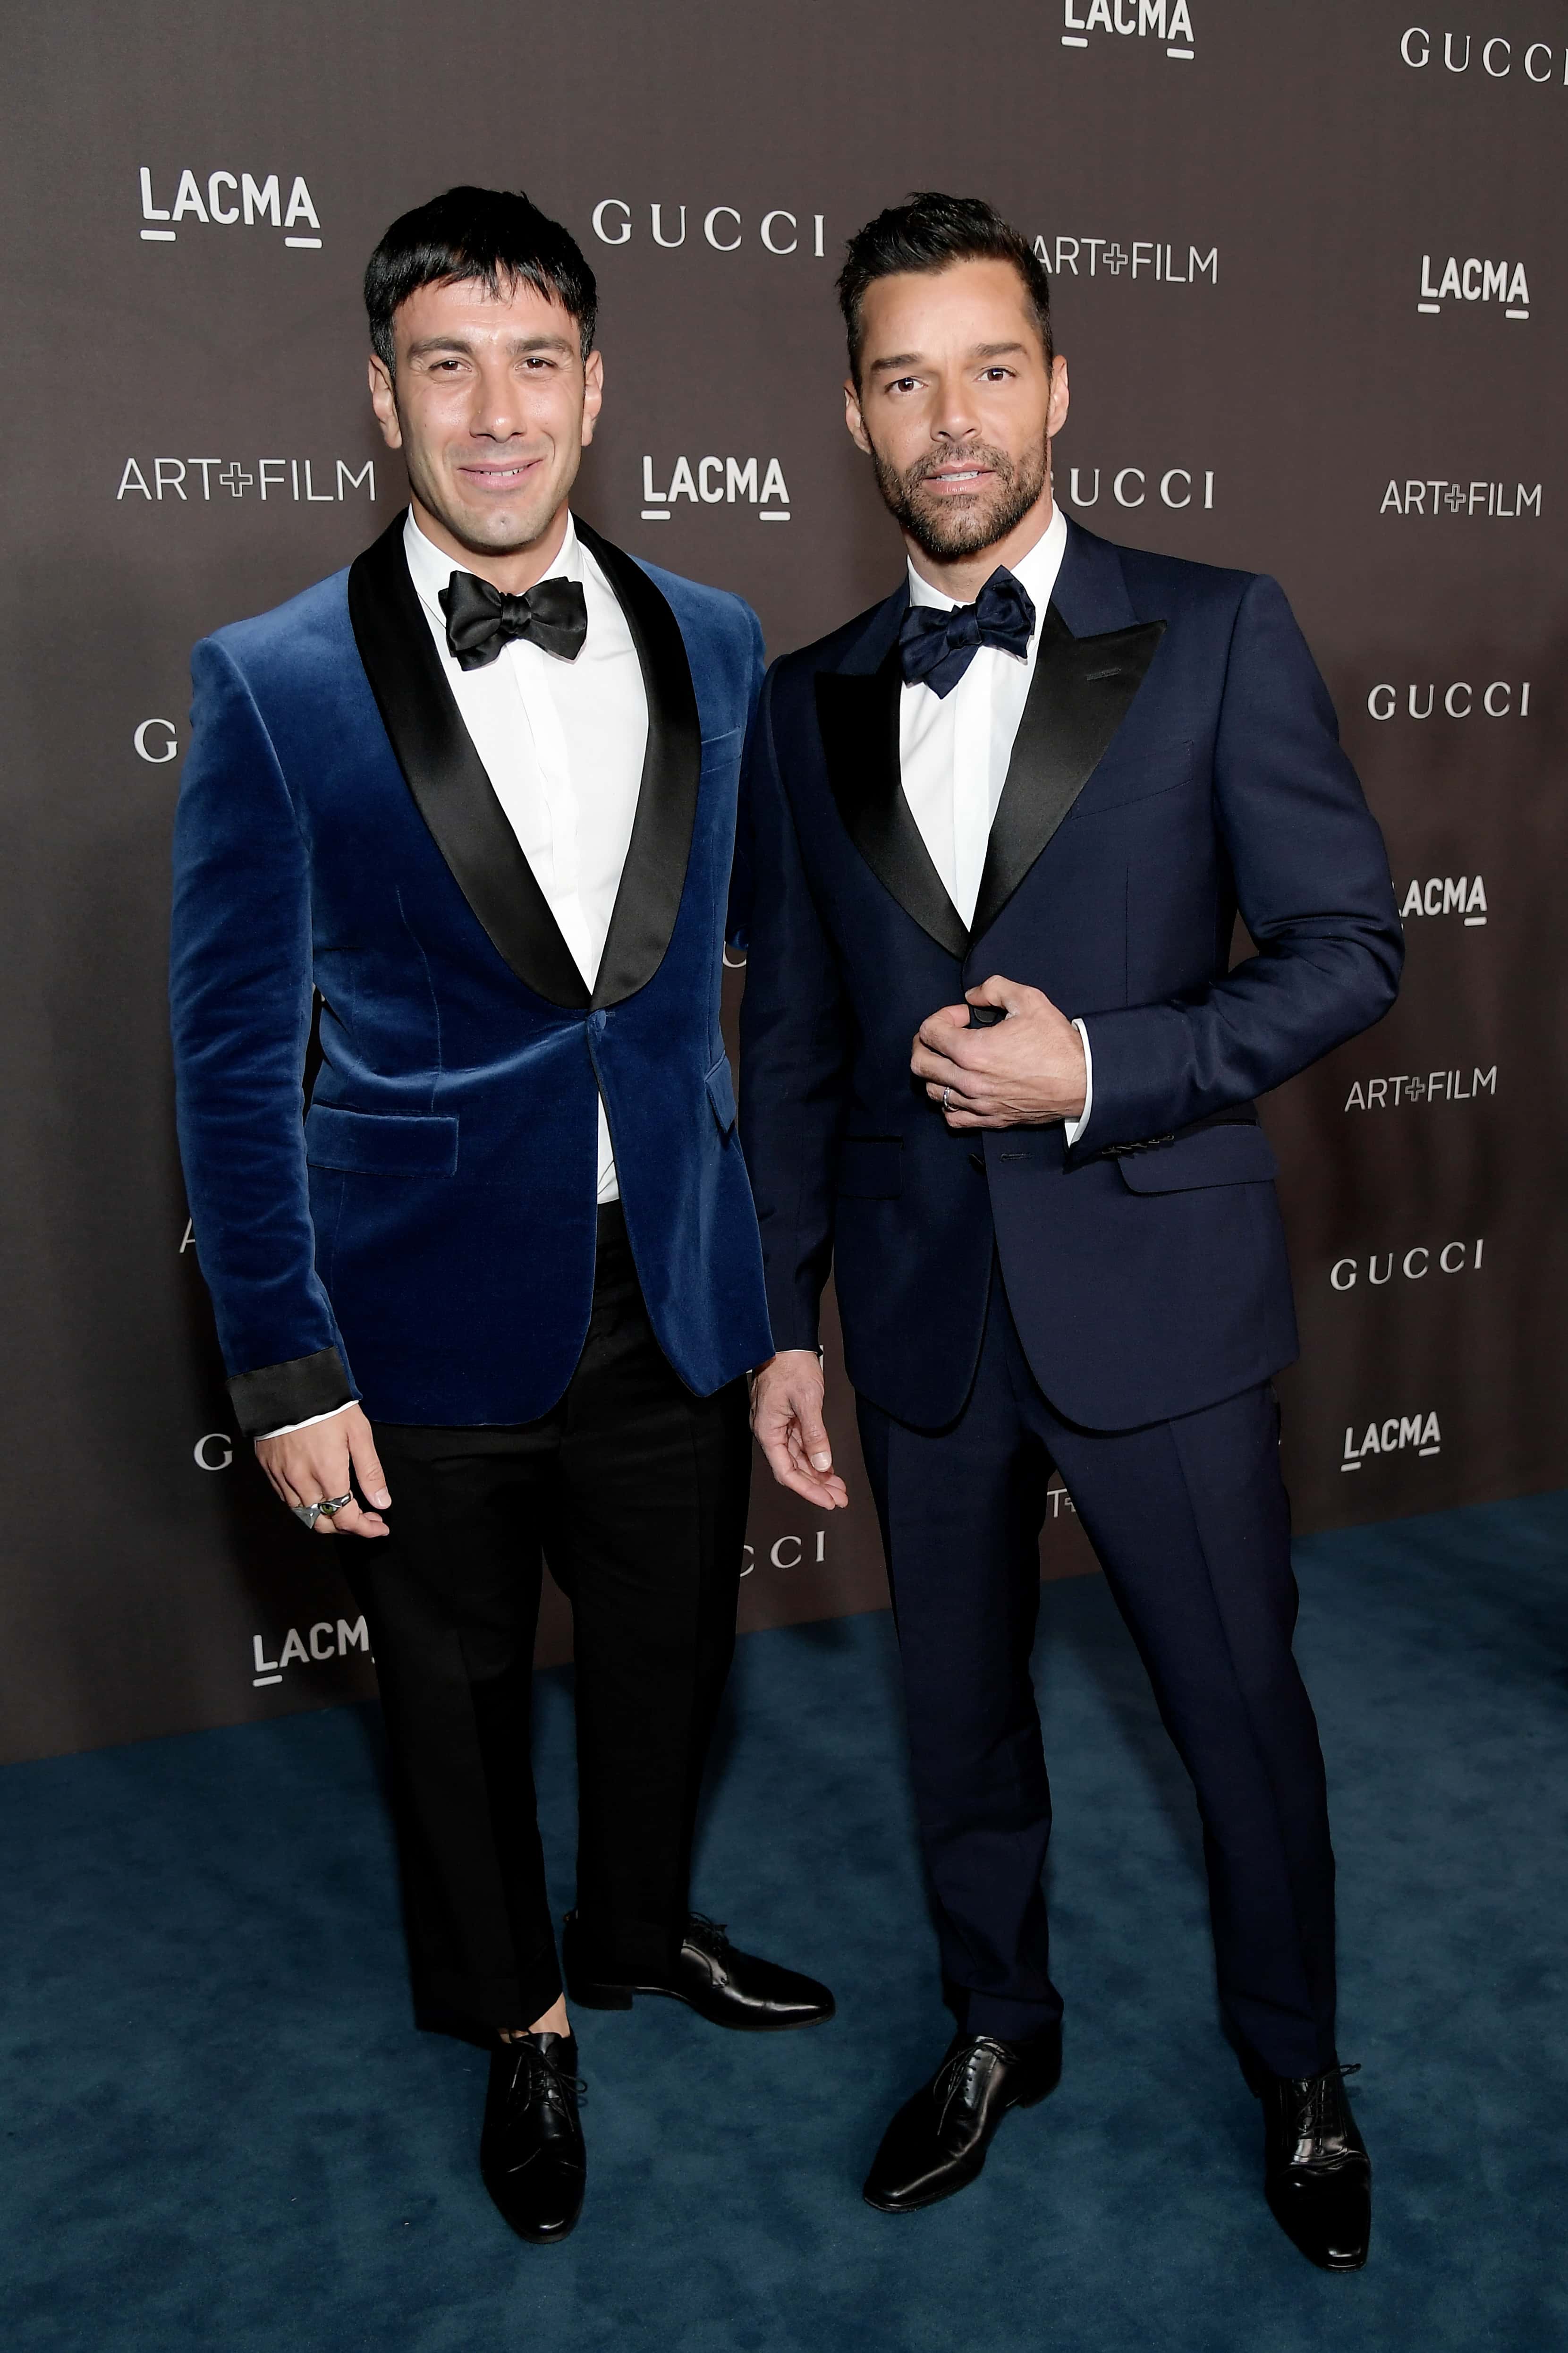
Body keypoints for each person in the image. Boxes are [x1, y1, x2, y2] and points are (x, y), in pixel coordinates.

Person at [738, 192, 1400, 2271]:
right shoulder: (804, 698)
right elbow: (804, 1056)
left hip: (1160, 1293)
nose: (953, 416)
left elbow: (1347, 947)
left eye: (991, 367)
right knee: (958, 1716)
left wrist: (1104, 1066)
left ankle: (1298, 2064)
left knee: (1235, 1713)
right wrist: (781, 1323)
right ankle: (994, 2023)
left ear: (1060, 386)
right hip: (924, 1317)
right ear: (855, 414)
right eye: (906, 376)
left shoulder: (1217, 629)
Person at [170, 184, 832, 2250]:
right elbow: (225, 1054)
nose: (496, 408)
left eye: (535, 359)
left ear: (597, 385)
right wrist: (283, 1359)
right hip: (422, 1299)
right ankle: (521, 2011)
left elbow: (750, 978)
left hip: (676, 1286)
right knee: (449, 1698)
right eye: (445, 363)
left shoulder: (714, 635)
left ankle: (639, 1928)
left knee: (669, 1661)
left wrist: (780, 1281)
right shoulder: (275, 679)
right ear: (383, 395)